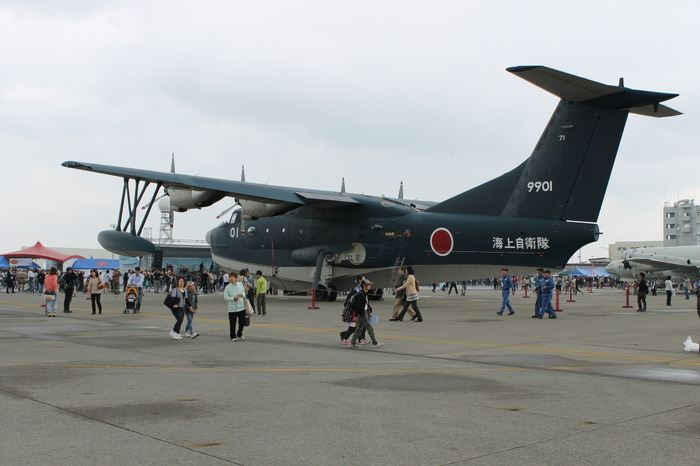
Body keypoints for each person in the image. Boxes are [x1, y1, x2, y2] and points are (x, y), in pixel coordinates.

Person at [349, 279, 384, 348]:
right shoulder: (360, 294)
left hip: (364, 312)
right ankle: (375, 342)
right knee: (369, 327)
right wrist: (355, 315)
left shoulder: (365, 293)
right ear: (364, 286)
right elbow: (358, 306)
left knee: (359, 328)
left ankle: (352, 343)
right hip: (362, 313)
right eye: (368, 285)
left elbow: (366, 304)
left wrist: (369, 311)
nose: (370, 286)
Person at [224, 272, 247, 341]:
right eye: (229, 277)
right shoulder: (227, 287)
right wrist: (233, 298)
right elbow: (225, 297)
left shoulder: (240, 284)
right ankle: (233, 336)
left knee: (242, 322)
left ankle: (239, 333)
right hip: (232, 308)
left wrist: (242, 294)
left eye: (232, 277)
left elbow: (244, 292)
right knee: (232, 323)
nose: (230, 278)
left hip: (241, 307)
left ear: (236, 278)